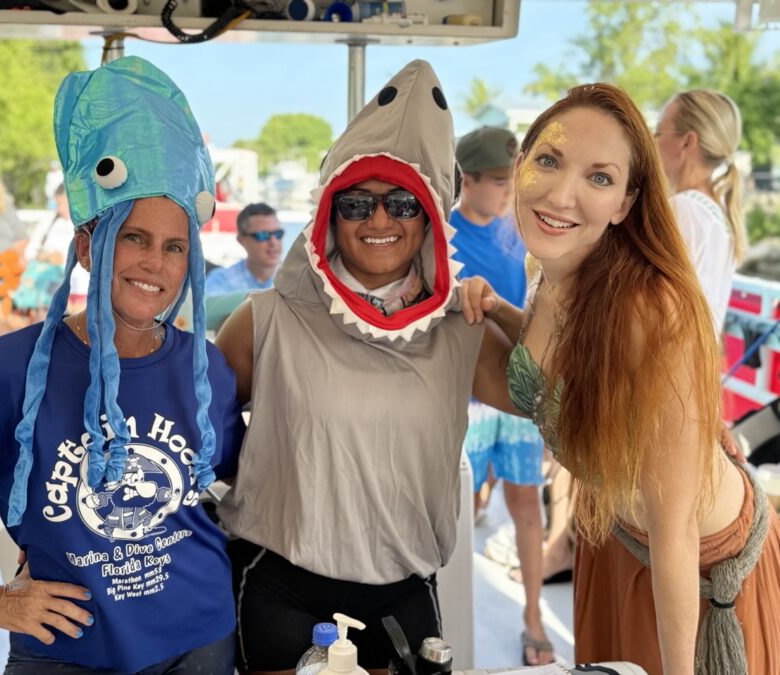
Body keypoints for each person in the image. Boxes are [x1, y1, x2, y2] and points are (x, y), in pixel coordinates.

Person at [0, 57, 244, 673]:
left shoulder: (204, 367)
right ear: (86, 245)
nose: (154, 263)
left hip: (203, 640)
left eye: (174, 247)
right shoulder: (3, 373)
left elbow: (242, 487)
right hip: (67, 654)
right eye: (133, 237)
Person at [464, 82, 780, 675]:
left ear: (627, 203)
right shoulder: (560, 270)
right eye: (549, 160)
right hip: (622, 537)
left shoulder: (650, 313)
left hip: (703, 569)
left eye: (599, 177)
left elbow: (678, 530)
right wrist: (490, 307)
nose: (561, 194)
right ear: (522, 164)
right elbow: (549, 367)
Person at [215, 60, 513, 673]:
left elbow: (561, 400)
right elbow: (187, 435)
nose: (380, 220)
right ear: (329, 212)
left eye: (403, 202)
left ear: (430, 213)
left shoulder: (463, 331)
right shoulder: (264, 321)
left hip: (403, 595)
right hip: (279, 588)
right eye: (357, 202)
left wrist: (510, 310)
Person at [452, 126, 552, 665]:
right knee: (461, 508)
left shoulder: (521, 229)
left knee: (527, 504)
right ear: (466, 179)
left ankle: (533, 614)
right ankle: (453, 612)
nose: (511, 195)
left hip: (520, 392)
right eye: (500, 184)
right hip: (465, 398)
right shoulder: (438, 235)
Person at [655, 89, 745, 337]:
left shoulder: (682, 210)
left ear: (687, 142)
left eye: (659, 132)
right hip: (694, 372)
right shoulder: (719, 215)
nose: (654, 142)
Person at [19, 182, 90, 314]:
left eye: (64, 204)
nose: (60, 209)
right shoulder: (49, 222)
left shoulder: (92, 224)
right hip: (50, 294)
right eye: (58, 204)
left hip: (83, 293)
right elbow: (30, 252)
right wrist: (46, 257)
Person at [205, 203, 282, 295]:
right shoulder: (220, 282)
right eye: (263, 235)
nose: (273, 242)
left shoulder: (296, 281)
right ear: (241, 240)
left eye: (278, 234)